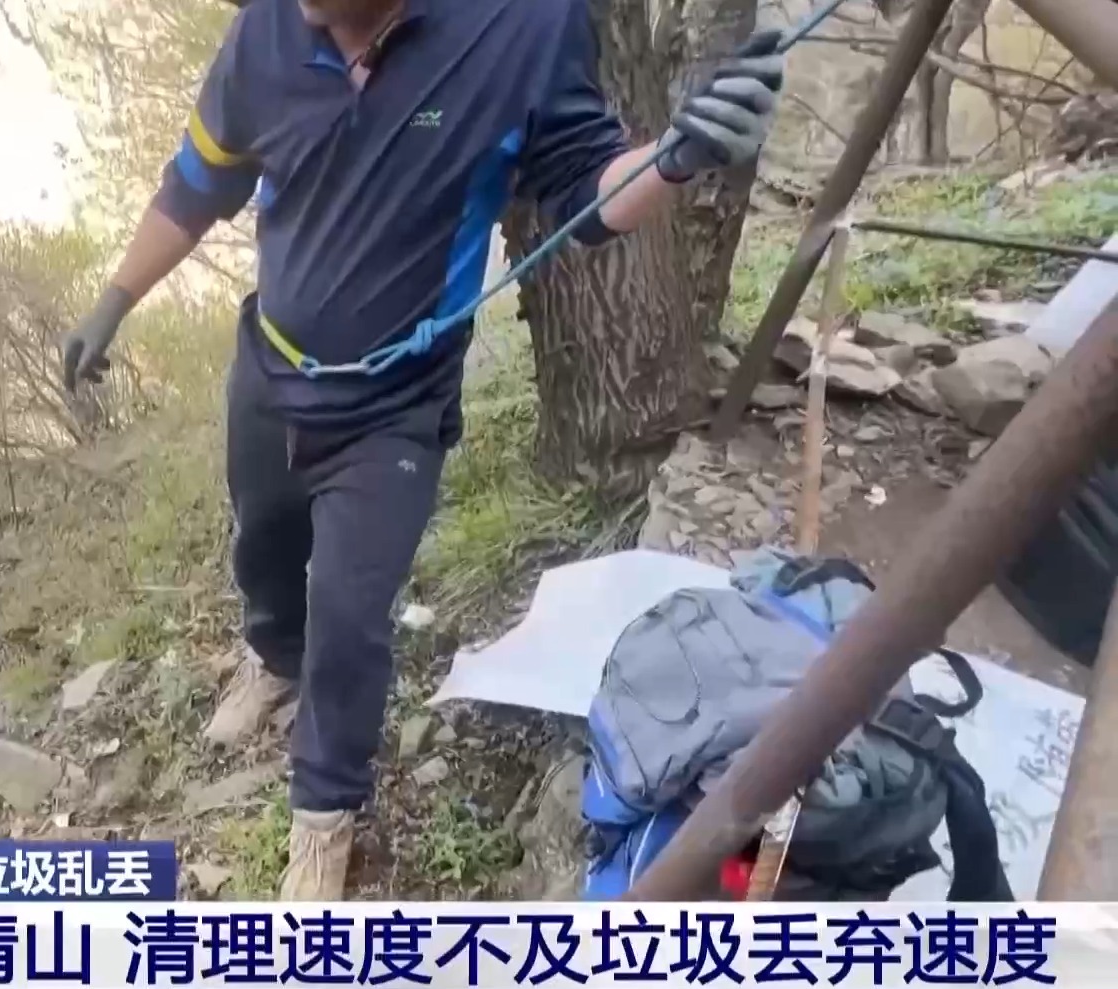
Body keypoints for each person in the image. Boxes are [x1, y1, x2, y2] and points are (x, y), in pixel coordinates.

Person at [60, 0, 786, 900]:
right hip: (269, 371)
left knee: (350, 613)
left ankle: (323, 816)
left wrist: (672, 159)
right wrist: (114, 300)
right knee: (265, 543)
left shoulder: (521, 28)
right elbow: (197, 183)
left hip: (394, 406)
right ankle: (274, 660)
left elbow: (585, 193)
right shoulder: (264, 34)